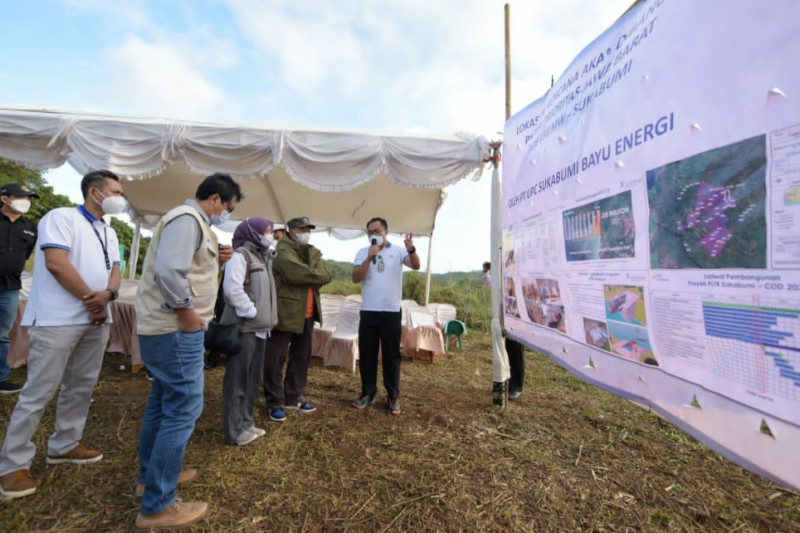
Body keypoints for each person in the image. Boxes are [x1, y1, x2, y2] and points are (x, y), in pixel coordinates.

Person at [0, 170, 125, 499]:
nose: (121, 198)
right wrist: (91, 299)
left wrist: (108, 297)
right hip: (58, 319)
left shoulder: (108, 231)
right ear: (95, 191)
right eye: (116, 191)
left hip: (97, 319)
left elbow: (116, 269)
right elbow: (56, 263)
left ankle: (64, 444)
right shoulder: (61, 217)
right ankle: (11, 466)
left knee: (81, 385)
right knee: (39, 389)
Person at [134, 173, 241, 530]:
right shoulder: (186, 219)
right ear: (215, 199)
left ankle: (153, 477)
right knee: (184, 407)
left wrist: (218, 262)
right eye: (227, 208)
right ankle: (157, 506)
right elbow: (169, 271)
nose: (225, 214)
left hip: (166, 329)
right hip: (175, 329)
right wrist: (187, 313)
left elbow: (188, 269)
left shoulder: (192, 223)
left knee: (163, 402)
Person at [263, 216, 330, 422]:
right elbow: (296, 273)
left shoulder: (311, 251)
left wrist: (303, 277)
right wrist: (307, 276)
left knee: (302, 357)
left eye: (308, 228)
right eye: (302, 228)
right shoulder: (282, 250)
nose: (306, 232)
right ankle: (275, 401)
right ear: (291, 231)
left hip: (308, 313)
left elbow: (326, 275)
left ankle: (294, 397)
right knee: (275, 358)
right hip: (286, 312)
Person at [351, 217, 420, 415]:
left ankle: (393, 396)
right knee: (367, 355)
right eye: (370, 232)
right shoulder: (363, 252)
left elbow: (415, 265)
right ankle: (368, 393)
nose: (374, 235)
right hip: (369, 311)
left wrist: (411, 249)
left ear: (386, 232)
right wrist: (368, 258)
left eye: (377, 231)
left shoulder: (398, 251)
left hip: (390, 312)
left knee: (391, 355)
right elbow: (356, 278)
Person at [221, 217, 277, 446]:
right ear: (253, 232)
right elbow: (232, 289)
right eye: (266, 230)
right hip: (245, 328)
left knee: (253, 379)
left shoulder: (263, 257)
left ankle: (246, 422)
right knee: (237, 380)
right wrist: (252, 311)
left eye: (271, 230)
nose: (270, 234)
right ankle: (234, 430)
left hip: (261, 329)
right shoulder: (240, 255)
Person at [0, 183, 39, 394]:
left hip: (10, 287)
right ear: (5, 199)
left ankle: (0, 378)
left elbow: (25, 255)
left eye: (29, 198)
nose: (26, 201)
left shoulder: (30, 227)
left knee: (3, 334)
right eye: (21, 196)